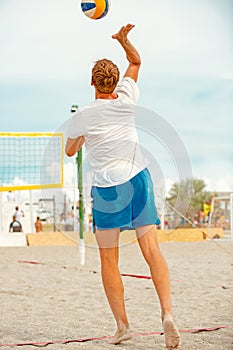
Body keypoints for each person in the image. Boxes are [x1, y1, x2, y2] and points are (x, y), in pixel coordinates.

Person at [65, 24, 181, 349]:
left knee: (108, 262)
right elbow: (136, 62)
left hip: (107, 190)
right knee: (152, 252)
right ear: (115, 83)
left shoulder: (84, 115)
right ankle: (167, 314)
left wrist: (83, 133)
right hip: (138, 178)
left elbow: (70, 150)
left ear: (92, 83)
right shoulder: (128, 95)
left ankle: (123, 326)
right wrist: (124, 41)